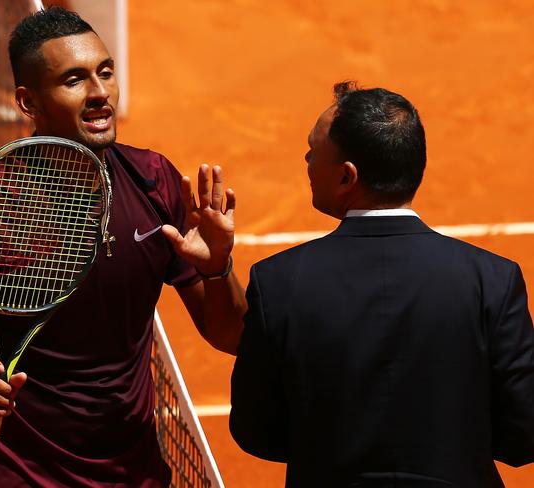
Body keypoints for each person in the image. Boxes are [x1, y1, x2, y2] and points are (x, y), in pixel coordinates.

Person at [0, 6, 245, 487]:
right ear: (28, 102)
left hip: (136, 473)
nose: (100, 92)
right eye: (74, 80)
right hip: (23, 475)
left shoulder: (155, 183)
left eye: (105, 72)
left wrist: (217, 269)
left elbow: (230, 336)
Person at [229, 81, 534, 487]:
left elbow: (255, 430)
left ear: (346, 178)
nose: (306, 159)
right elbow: (524, 433)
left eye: (312, 152)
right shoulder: (493, 280)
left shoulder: (278, 283)